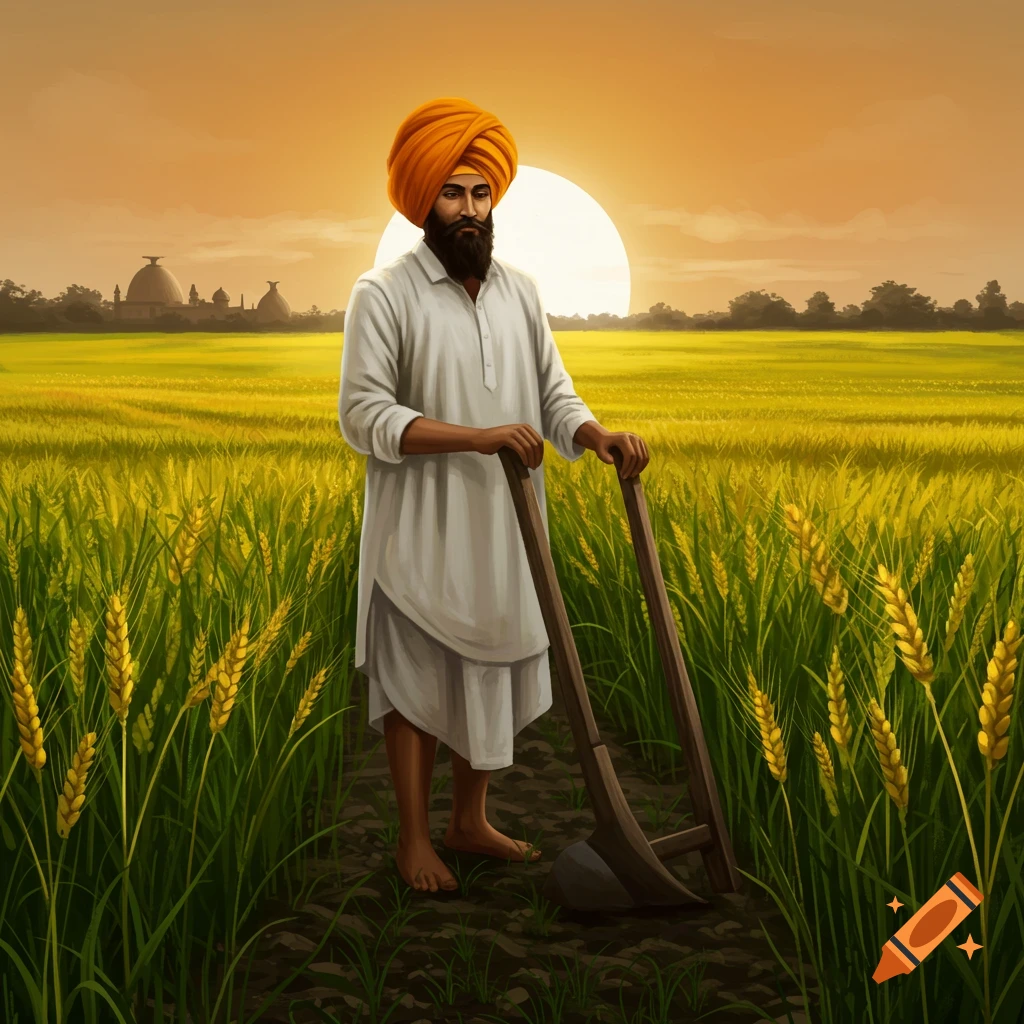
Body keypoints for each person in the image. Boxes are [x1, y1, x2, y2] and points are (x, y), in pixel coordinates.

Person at [338, 96, 649, 894]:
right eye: (452, 193)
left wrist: (594, 436)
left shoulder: (519, 291)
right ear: (423, 201)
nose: (469, 210)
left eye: (480, 194)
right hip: (421, 525)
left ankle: (468, 821)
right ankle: (414, 837)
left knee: (493, 664)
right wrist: (475, 437)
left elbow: (554, 394)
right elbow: (362, 415)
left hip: (508, 524)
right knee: (415, 673)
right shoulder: (384, 294)